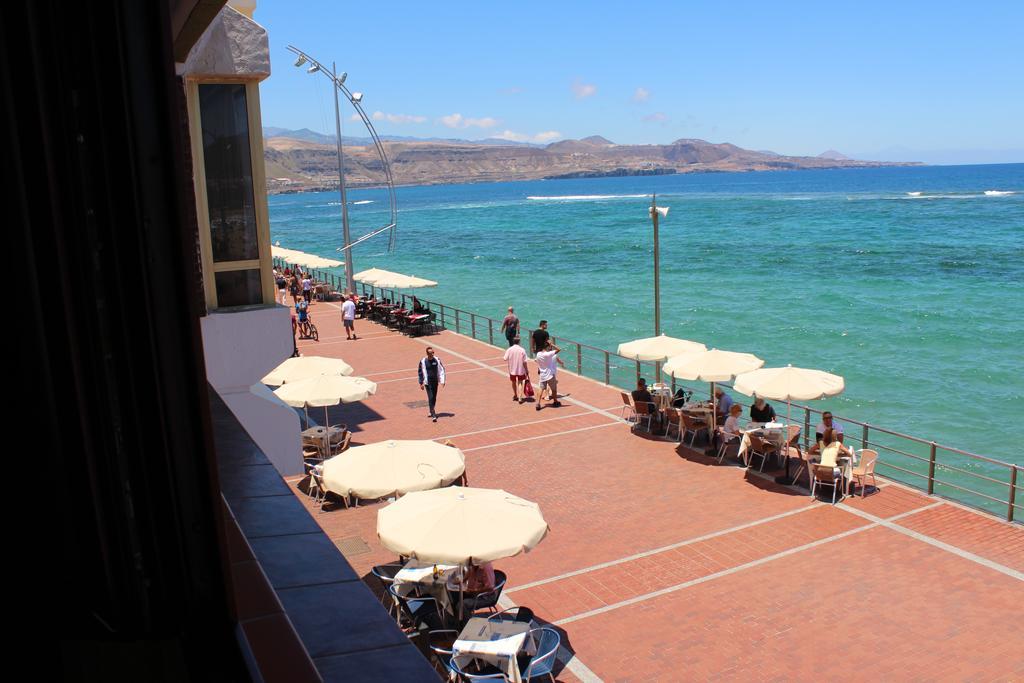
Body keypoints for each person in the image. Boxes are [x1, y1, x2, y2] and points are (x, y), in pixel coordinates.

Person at [417, 346, 446, 422]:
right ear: (427, 353)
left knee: (434, 398)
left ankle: (431, 409)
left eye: (433, 352)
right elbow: (420, 372)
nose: (432, 354)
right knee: (431, 397)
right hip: (427, 382)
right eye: (431, 353)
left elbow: (441, 370)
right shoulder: (423, 361)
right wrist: (421, 383)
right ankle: (433, 414)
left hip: (435, 382)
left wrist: (442, 381)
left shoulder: (436, 360)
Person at [534, 340, 563, 411]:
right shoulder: (548, 354)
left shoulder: (538, 354)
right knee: (553, 389)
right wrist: (552, 344)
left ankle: (538, 403)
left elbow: (536, 361)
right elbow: (559, 349)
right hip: (550, 375)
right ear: (547, 347)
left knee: (540, 389)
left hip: (542, 375)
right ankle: (555, 401)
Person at [503, 336, 528, 403]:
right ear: (519, 342)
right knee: (520, 383)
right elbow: (525, 361)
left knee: (513, 382)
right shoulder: (522, 350)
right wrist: (527, 370)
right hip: (521, 370)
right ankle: (520, 398)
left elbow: (505, 358)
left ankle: (515, 395)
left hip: (512, 370)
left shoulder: (509, 349)